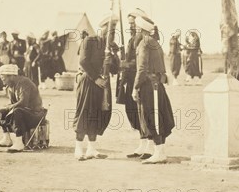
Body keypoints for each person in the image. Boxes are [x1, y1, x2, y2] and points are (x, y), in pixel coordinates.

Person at [132, 15, 175, 164]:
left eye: (137, 29)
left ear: (140, 29)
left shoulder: (144, 43)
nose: (136, 31)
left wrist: (135, 87)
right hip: (158, 85)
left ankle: (159, 152)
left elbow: (142, 68)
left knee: (152, 117)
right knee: (159, 116)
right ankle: (160, 151)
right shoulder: (155, 42)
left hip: (148, 86)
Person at [73, 15, 116, 161]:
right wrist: (96, 78)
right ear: (101, 28)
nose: (111, 33)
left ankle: (91, 149)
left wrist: (114, 60)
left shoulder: (110, 46)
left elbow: (115, 69)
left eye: (114, 30)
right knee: (85, 113)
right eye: (109, 29)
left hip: (103, 85)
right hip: (89, 82)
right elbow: (83, 62)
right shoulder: (89, 41)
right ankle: (79, 149)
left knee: (98, 115)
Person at [0, 64, 48, 153]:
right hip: (25, 112)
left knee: (16, 111)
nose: (3, 81)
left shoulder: (24, 82)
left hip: (36, 114)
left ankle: (19, 143)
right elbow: (13, 103)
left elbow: (23, 103)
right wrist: (5, 108)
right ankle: (7, 139)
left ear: (11, 76)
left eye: (4, 78)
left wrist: (8, 107)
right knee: (2, 111)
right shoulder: (9, 86)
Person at [118, 9, 150, 158]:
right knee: (133, 113)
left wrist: (124, 64)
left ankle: (148, 147)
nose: (131, 26)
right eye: (129, 23)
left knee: (142, 113)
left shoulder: (141, 39)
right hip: (130, 80)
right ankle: (142, 145)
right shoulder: (133, 38)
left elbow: (140, 63)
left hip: (139, 80)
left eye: (133, 23)